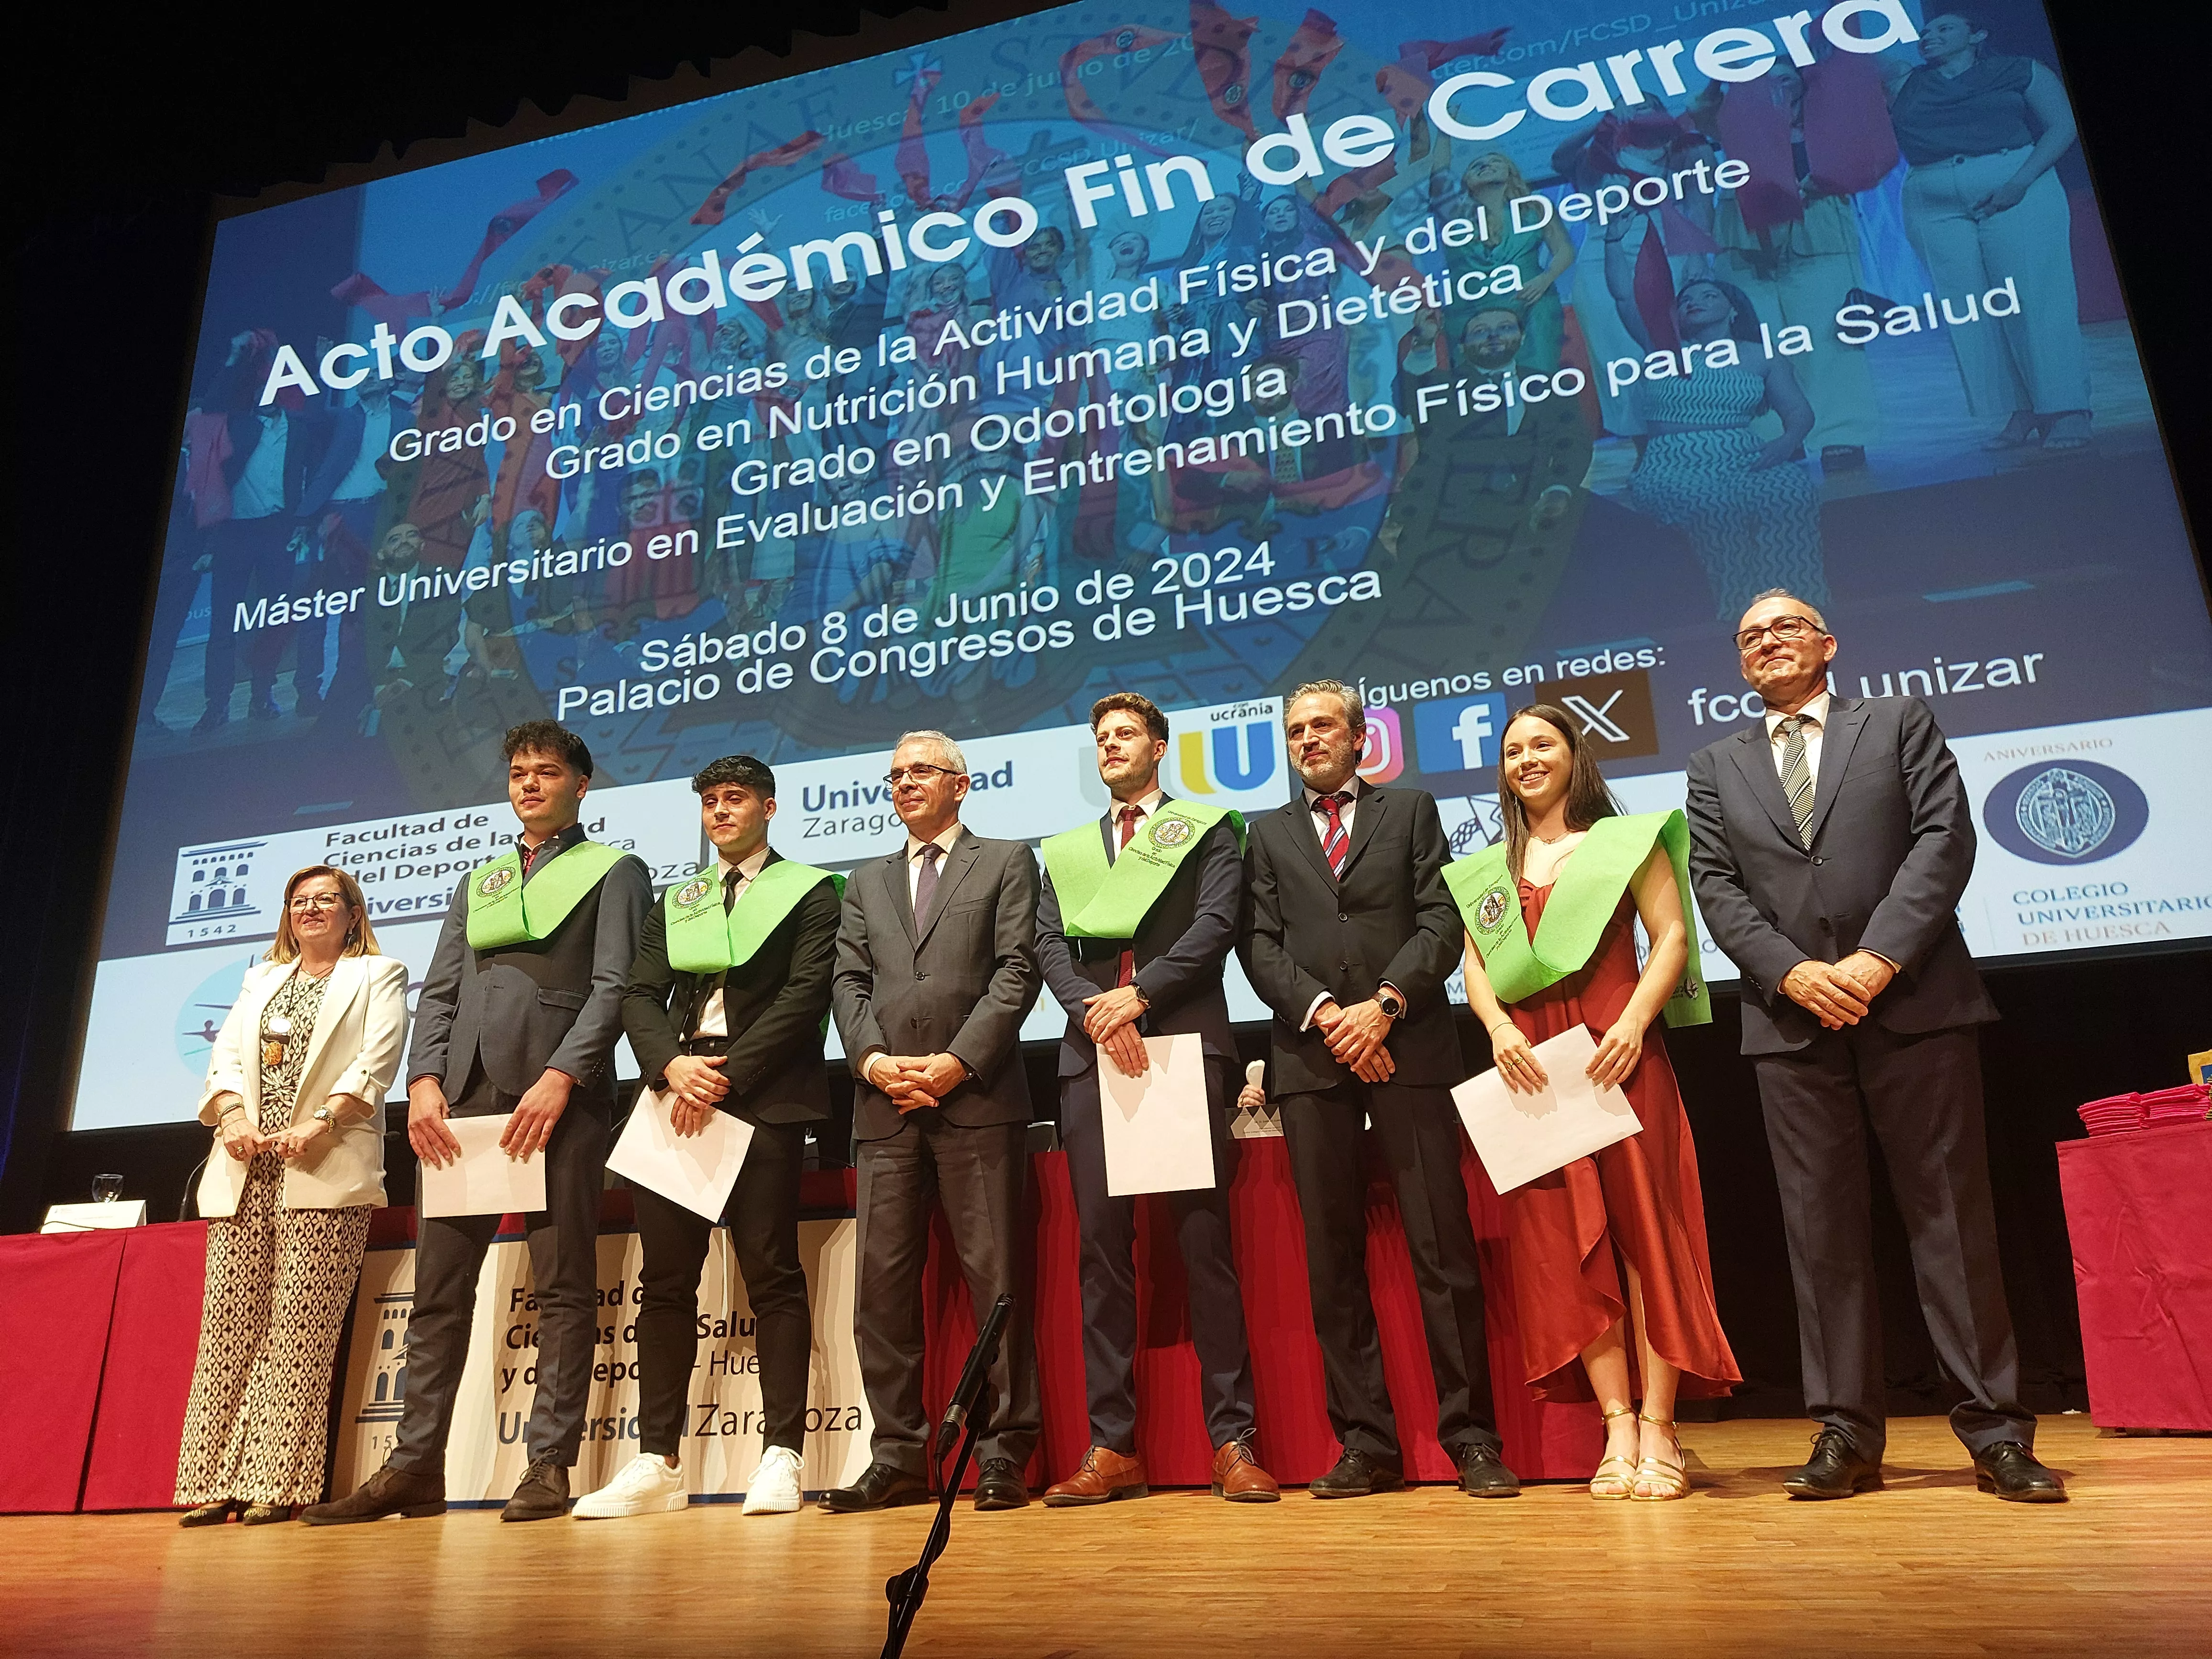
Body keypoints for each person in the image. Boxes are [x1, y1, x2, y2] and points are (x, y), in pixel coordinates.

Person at [1684, 590, 2064, 1502]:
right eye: (1748, 637)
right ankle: (1845, 1434)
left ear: (1826, 643)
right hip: (1789, 1022)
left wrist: (1875, 958)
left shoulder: (1895, 720)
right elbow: (1714, 881)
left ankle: (1994, 1432)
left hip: (1913, 1004)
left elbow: (1942, 838)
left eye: (1782, 627)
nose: (1764, 642)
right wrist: (1792, 972)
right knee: (1820, 1235)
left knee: (1949, 1221)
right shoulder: (1712, 763)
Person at [305, 721, 652, 1524]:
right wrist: (423, 1080)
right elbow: (442, 989)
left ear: (580, 785)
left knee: (562, 1286)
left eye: (547, 772)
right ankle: (414, 1465)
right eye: (519, 773)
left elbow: (612, 987)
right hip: (460, 1105)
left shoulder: (616, 871)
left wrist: (563, 1075)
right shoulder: (481, 879)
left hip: (554, 1102)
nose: (529, 784)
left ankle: (548, 1465)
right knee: (436, 1291)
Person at [1447, 707, 1740, 1502]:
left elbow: (1670, 936)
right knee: (1568, 1253)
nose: (1524, 758)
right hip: (1537, 1072)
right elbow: (1474, 963)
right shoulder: (1489, 869)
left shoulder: (1622, 842)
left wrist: (1635, 1022)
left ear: (1574, 755)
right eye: (1510, 750)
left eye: (1541, 743)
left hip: (1617, 1059)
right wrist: (1498, 1024)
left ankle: (1658, 1425)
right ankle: (1613, 1422)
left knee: (1645, 1241)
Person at [1239, 682, 1519, 1499]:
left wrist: (1383, 1007)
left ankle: (1471, 1437)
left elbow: (1439, 919)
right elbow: (1257, 946)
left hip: (1410, 1046)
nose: (1306, 738)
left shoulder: (1411, 811)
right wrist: (1329, 1015)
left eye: (1322, 724)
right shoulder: (1265, 834)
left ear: (1362, 737)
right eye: (1294, 729)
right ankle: (1365, 1442)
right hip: (1310, 1057)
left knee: (1442, 1249)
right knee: (1331, 1262)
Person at [577, 755, 842, 1520]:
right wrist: (670, 1065)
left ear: (769, 807)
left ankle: (781, 1453)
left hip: (759, 1099)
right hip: (675, 1098)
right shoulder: (681, 897)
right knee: (663, 1284)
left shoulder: (811, 893)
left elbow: (804, 998)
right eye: (709, 802)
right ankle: (658, 1460)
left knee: (771, 1275)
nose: (720, 812)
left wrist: (721, 1076)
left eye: (735, 800)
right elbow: (637, 993)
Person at [1034, 694, 1278, 1506]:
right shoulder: (1066, 850)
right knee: (1100, 1257)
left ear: (1159, 747)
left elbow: (1214, 926)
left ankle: (1232, 1439)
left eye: (1125, 734)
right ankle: (1112, 1447)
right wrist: (1092, 1009)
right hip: (1089, 1055)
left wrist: (1135, 999)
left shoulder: (1206, 830)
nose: (1110, 746)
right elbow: (1044, 943)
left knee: (1202, 1249)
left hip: (1178, 1044)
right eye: (1100, 738)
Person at [823, 731, 1044, 1513]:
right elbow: (848, 978)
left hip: (976, 1098)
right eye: (893, 774)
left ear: (960, 783)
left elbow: (1018, 969)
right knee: (878, 1290)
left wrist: (957, 1061)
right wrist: (875, 1062)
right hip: (883, 1105)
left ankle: (1003, 1450)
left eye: (919, 771)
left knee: (995, 1282)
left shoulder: (1007, 859)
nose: (903, 783)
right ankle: (898, 1453)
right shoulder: (864, 879)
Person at [176, 866, 409, 1525]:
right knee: (227, 1327)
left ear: (353, 914)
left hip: (325, 1166)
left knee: (299, 1332)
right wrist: (233, 1120)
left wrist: (321, 1124)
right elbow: (223, 1061)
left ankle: (276, 1485)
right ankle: (218, 1479)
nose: (311, 910)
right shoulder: (260, 979)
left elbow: (377, 1062)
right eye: (299, 902)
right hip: (248, 1168)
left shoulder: (379, 975)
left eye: (325, 901)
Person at [1887, 11, 2090, 450]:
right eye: (1924, 32)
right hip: (1933, 196)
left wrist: (2019, 181)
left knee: (2036, 298)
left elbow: (2063, 124)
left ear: (1977, 35)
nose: (1929, 37)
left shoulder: (2019, 70)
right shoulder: (1905, 81)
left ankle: (2067, 408)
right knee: (1975, 310)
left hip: (2015, 180)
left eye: (1944, 29)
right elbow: (1844, 64)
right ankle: (2022, 410)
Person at [1603, 246, 1826, 620]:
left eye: (1709, 296)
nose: (1695, 302)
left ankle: (1793, 610)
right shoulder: (1661, 347)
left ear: (1733, 308)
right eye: (1686, 300)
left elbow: (1799, 412)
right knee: (1715, 509)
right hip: (1672, 463)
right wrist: (1614, 241)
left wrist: (1786, 444)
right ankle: (1739, 614)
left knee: (1789, 495)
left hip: (1744, 455)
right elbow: (1625, 294)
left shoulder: (1761, 355)